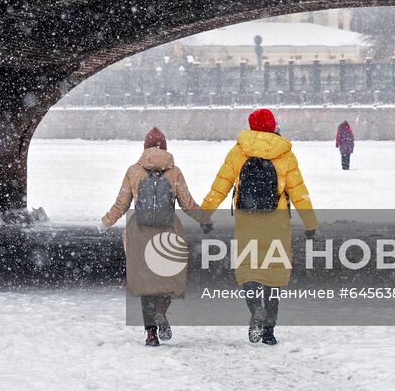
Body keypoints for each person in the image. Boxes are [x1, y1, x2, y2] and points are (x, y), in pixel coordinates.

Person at [200, 108, 317, 346]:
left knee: (249, 270)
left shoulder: (238, 151)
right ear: (274, 126)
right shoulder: (285, 154)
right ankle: (269, 332)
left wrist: (205, 214)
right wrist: (310, 223)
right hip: (277, 222)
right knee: (274, 276)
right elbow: (299, 193)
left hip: (247, 220)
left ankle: (255, 310)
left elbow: (220, 186)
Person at [101, 127, 210, 347]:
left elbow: (121, 204)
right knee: (167, 279)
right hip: (168, 232)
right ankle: (162, 310)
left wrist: (105, 222)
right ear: (165, 147)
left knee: (145, 285)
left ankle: (151, 334)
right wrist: (204, 219)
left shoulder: (133, 171)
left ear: (145, 147)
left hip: (140, 234)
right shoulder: (174, 172)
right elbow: (187, 203)